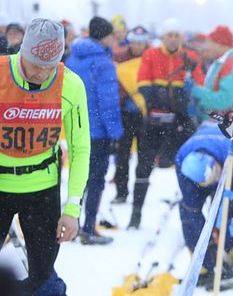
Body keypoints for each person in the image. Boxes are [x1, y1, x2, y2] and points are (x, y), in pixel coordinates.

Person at [0, 18, 90, 293]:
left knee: (41, 274)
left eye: (49, 66)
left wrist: (73, 209)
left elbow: (80, 148)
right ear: (22, 53)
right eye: (35, 65)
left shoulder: (71, 84)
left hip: (42, 190)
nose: (41, 73)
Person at [133, 17, 204, 229]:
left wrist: (184, 96)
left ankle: (193, 212)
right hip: (156, 117)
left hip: (182, 119)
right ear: (163, 37)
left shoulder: (190, 56)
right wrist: (163, 96)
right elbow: (143, 85)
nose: (173, 40)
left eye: (176, 35)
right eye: (169, 35)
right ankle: (135, 214)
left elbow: (199, 85)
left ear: (181, 37)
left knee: (188, 163)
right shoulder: (151, 54)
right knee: (144, 165)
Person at [65, 16, 123, 245]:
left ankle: (71, 224)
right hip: (97, 131)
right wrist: (116, 133)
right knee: (96, 179)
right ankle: (88, 228)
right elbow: (107, 102)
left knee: (79, 179)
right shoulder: (102, 62)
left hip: (75, 128)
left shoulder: (72, 59)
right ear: (104, 36)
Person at [176, 123, 233, 291]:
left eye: (215, 174)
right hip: (195, 174)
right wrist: (206, 234)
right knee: (187, 211)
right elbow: (193, 209)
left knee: (227, 213)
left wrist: (218, 227)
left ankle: (226, 264)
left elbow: (228, 203)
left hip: (228, 170)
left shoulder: (232, 154)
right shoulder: (181, 160)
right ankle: (203, 265)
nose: (214, 179)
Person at [112, 25, 151, 204]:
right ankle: (121, 192)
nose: (137, 46)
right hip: (124, 114)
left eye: (141, 43)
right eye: (134, 42)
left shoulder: (151, 59)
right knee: (122, 155)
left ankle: (140, 192)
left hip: (145, 115)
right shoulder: (120, 58)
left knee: (144, 157)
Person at [191, 25, 233, 120]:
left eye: (210, 43)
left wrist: (198, 92)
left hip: (232, 127)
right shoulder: (223, 62)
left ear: (219, 43)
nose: (207, 47)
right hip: (226, 125)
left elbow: (226, 100)